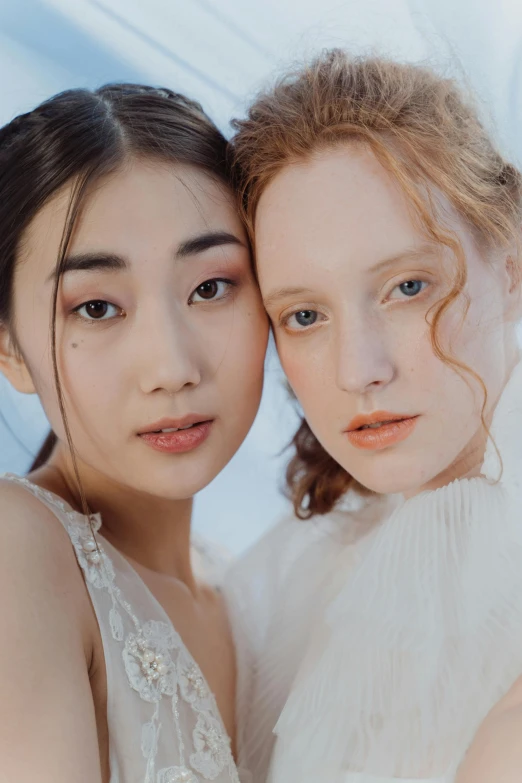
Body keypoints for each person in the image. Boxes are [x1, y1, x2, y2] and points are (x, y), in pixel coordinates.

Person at [225, 50, 522, 782]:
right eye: (303, 314)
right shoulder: (291, 582)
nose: (359, 370)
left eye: (407, 286)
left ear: (511, 266)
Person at [0, 83, 268, 782]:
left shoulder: (247, 592)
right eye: (95, 306)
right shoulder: (17, 548)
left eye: (211, 287)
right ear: (8, 348)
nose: (171, 368)